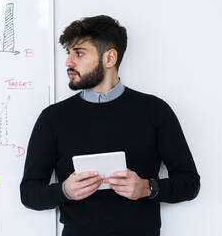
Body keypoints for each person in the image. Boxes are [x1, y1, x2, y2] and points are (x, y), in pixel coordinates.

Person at [20, 15, 200, 236]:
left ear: (110, 58)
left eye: (79, 53)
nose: (68, 62)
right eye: (69, 53)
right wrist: (65, 191)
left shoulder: (155, 111)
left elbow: (190, 183)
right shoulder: (52, 118)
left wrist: (147, 188)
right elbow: (29, 193)